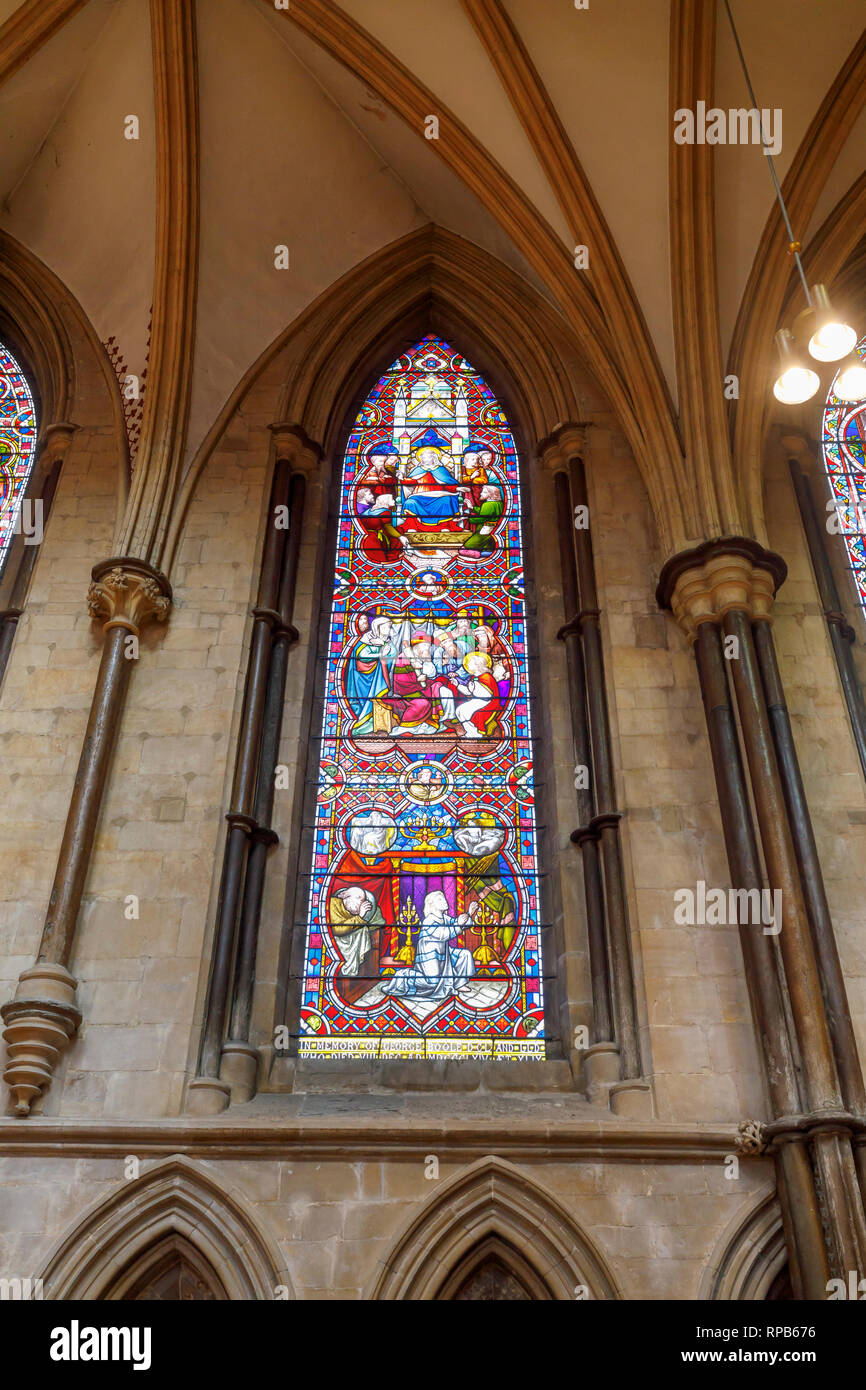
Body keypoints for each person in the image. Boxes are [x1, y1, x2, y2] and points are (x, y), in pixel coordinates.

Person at [380, 890, 475, 1000]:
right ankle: (403, 978)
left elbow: (460, 924)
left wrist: (468, 914)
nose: (444, 900)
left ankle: (459, 984)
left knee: (464, 954)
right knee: (432, 982)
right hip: (429, 957)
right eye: (440, 899)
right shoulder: (429, 921)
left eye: (444, 898)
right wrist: (458, 924)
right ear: (432, 904)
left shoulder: (445, 918)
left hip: (445, 954)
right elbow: (443, 934)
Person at [346, 616, 393, 736]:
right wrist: (380, 653)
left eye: (390, 627)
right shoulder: (366, 639)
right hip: (363, 678)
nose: (389, 629)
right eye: (387, 627)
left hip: (378, 677)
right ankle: (365, 722)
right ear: (379, 628)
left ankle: (380, 724)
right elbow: (362, 655)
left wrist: (382, 646)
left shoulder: (386, 641)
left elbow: (391, 655)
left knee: (380, 699)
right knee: (368, 701)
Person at [329, 885, 383, 978]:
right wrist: (360, 916)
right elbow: (337, 930)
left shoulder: (348, 910)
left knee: (363, 930)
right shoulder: (333, 904)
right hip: (335, 943)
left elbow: (378, 923)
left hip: (345, 943)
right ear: (346, 896)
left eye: (363, 900)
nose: (361, 904)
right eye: (359, 899)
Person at [455, 651, 501, 738]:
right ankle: (470, 732)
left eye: (470, 663)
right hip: (477, 700)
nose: (467, 665)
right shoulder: (474, 678)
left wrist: (474, 688)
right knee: (459, 710)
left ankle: (476, 734)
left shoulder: (486, 677)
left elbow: (487, 695)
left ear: (477, 665)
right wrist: (457, 684)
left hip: (488, 703)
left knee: (465, 712)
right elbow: (469, 692)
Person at [459, 483, 504, 559]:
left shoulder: (488, 504)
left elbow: (482, 518)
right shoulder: (498, 503)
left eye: (484, 492)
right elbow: (486, 513)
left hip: (485, 529)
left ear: (491, 494)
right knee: (488, 545)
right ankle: (489, 552)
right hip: (494, 530)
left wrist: (467, 518)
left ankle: (481, 554)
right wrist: (472, 507)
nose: (481, 493)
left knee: (466, 547)